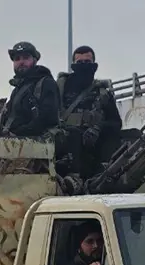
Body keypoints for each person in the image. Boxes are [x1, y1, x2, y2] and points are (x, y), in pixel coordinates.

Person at [57, 46, 123, 178]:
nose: (84, 66)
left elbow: (116, 124)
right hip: (65, 147)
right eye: (79, 63)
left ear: (94, 65)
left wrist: (97, 129)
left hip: (94, 148)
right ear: (73, 66)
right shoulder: (61, 88)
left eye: (87, 62)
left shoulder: (102, 93)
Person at [0, 41, 61, 138]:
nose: (21, 62)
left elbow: (48, 118)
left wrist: (18, 133)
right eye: (17, 59)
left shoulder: (46, 83)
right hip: (16, 144)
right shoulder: (17, 90)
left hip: (37, 145)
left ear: (35, 60)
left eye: (26, 58)